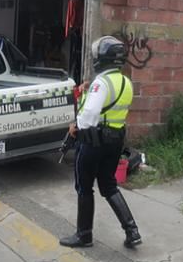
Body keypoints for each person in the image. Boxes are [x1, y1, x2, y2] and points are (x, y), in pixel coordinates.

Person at [59, 36, 142, 249]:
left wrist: (74, 126)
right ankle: (132, 231)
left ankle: (84, 235)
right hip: (114, 142)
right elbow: (109, 107)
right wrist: (88, 91)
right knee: (108, 185)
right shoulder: (125, 82)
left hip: (93, 142)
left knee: (84, 186)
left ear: (102, 58)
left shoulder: (101, 83)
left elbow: (89, 116)